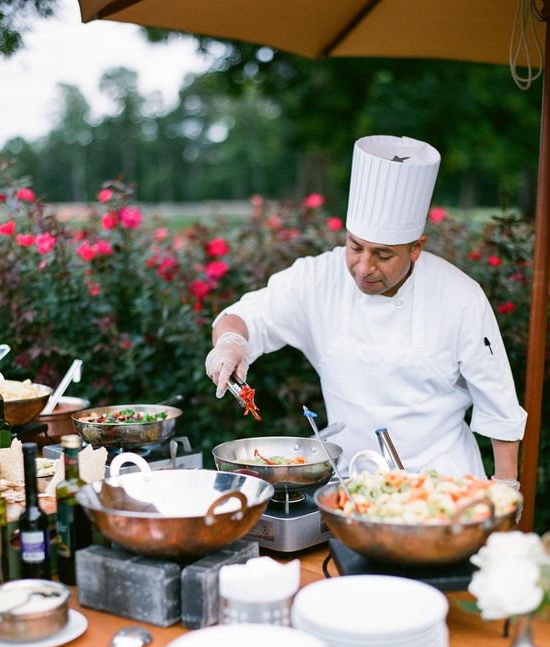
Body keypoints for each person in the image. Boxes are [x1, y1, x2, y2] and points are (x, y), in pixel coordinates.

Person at [205, 135, 526, 486]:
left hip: (443, 486)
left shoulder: (460, 296)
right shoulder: (319, 278)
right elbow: (248, 315)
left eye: (383, 255)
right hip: (350, 485)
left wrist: (507, 489)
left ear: (416, 248)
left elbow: (498, 405)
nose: (363, 267)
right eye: (355, 246)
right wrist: (231, 342)